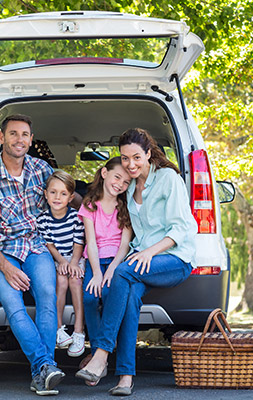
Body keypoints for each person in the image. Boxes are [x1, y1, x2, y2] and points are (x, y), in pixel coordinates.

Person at [76, 128, 197, 396]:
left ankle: (101, 354)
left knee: (121, 272)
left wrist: (149, 252)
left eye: (136, 157)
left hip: (173, 258)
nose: (131, 164)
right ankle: (126, 378)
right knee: (129, 297)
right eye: (125, 158)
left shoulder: (168, 179)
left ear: (148, 154)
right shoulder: (129, 189)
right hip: (142, 260)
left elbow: (182, 228)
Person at [0, 114, 64, 396]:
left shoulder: (41, 169)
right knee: (14, 306)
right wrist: (7, 269)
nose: (19, 139)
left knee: (48, 295)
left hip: (36, 246)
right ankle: (45, 367)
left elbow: (65, 194)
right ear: (2, 138)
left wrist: (97, 199)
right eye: (13, 134)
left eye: (24, 134)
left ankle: (43, 371)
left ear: (31, 139)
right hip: (1, 250)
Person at [77, 157, 133, 386]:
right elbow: (90, 242)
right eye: (117, 177)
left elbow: (125, 245)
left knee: (111, 298)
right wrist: (98, 272)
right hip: (95, 261)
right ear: (104, 173)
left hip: (116, 262)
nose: (120, 184)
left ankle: (101, 357)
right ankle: (97, 353)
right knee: (90, 298)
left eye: (126, 182)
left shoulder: (125, 207)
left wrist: (111, 269)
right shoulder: (89, 205)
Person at [36, 170, 86, 357]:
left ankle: (79, 331)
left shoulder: (75, 217)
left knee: (75, 281)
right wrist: (62, 261)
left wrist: (73, 262)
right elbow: (49, 245)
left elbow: (79, 243)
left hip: (75, 257)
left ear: (71, 197)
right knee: (61, 282)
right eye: (53, 192)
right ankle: (58, 330)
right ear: (46, 194)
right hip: (58, 258)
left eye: (63, 193)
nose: (58, 197)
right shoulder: (43, 219)